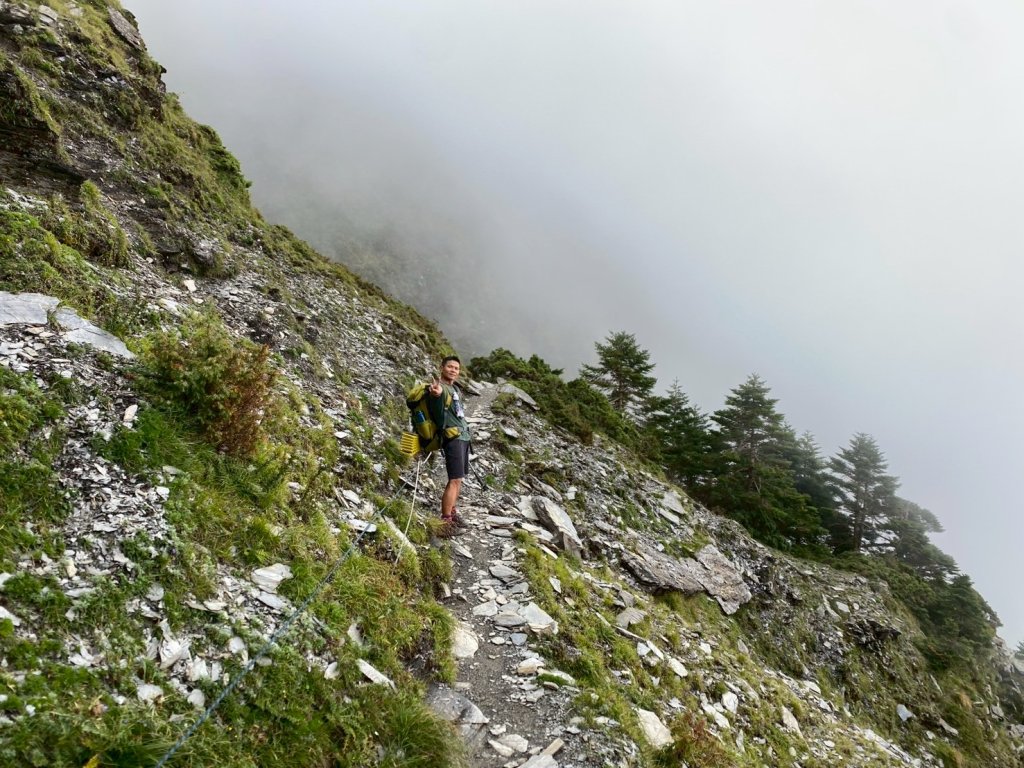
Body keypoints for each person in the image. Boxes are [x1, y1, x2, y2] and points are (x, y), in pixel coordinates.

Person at [427, 355, 471, 534]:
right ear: (442, 367)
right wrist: (435, 392)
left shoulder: (455, 389)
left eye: (456, 368)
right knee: (454, 479)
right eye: (450, 367)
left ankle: (452, 512)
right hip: (452, 438)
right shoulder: (441, 388)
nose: (453, 370)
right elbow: (436, 395)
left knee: (458, 478)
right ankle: (445, 523)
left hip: (462, 437)